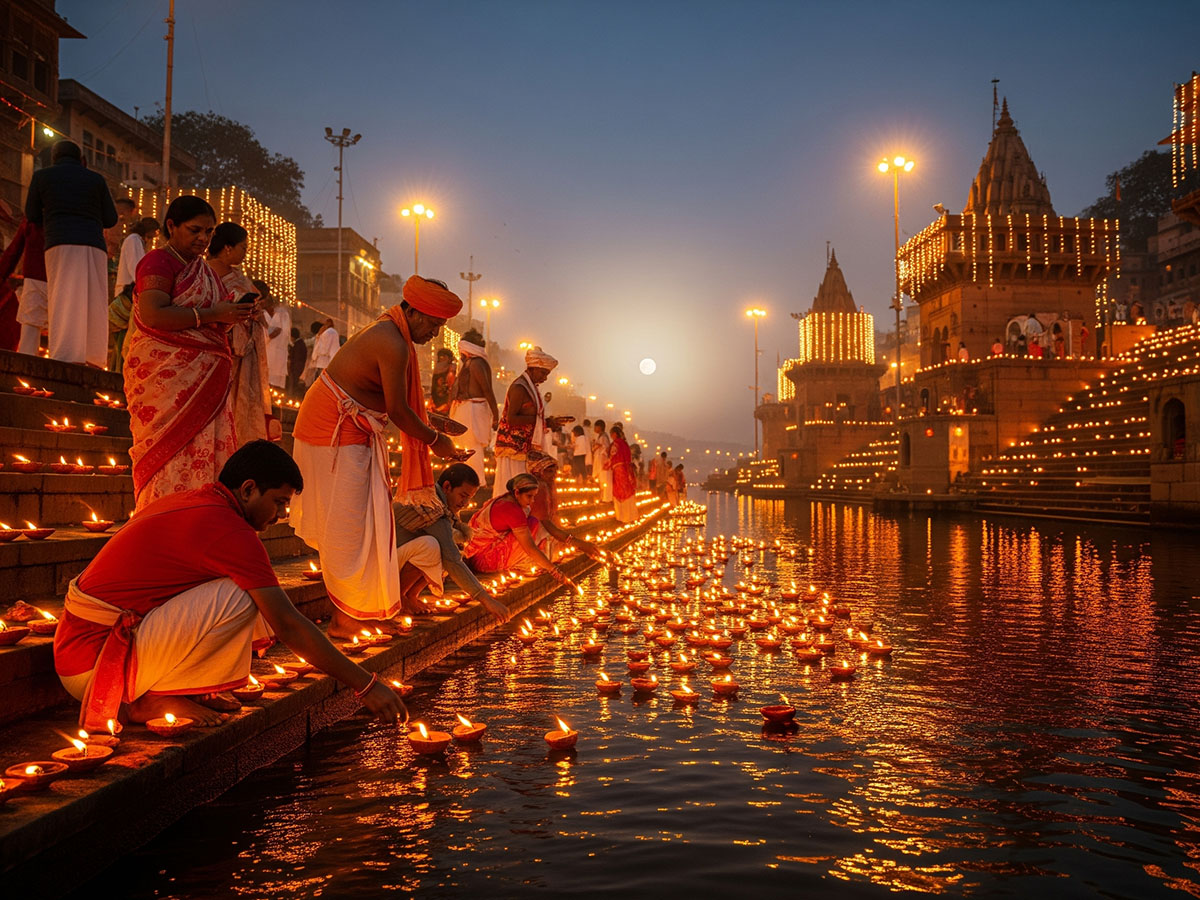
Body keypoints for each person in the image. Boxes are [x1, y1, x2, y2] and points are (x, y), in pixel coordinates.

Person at [53, 440, 407, 731]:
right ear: (249, 489)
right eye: (279, 502)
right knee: (242, 594)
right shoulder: (228, 528)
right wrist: (366, 684)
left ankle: (181, 687)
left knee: (245, 586)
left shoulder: (201, 502)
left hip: (82, 651)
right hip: (96, 666)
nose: (281, 515)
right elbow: (288, 625)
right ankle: (146, 701)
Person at [290, 275, 472, 638]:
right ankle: (343, 620)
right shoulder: (392, 342)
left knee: (361, 527)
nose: (435, 334)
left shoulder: (394, 335)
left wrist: (433, 422)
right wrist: (436, 440)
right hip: (332, 433)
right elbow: (399, 411)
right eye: (434, 324)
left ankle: (360, 611)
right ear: (414, 312)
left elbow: (394, 403)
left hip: (351, 431)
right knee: (348, 529)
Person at [125, 196, 256, 512]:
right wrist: (212, 314)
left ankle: (199, 521)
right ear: (171, 226)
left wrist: (231, 315)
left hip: (207, 383)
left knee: (207, 463)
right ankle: (163, 520)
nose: (203, 239)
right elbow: (154, 314)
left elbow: (212, 324)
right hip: (166, 381)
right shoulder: (158, 262)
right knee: (169, 459)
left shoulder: (205, 271)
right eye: (195, 230)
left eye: (209, 232)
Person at [23, 140, 118, 367]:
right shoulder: (96, 179)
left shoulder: (42, 177)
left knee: (63, 297)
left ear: (54, 158)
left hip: (60, 242)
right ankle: (94, 357)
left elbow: (32, 214)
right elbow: (111, 218)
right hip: (94, 246)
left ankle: (65, 356)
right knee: (94, 299)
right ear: (81, 159)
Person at [392, 463, 508, 620]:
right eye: (463, 496)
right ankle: (398, 597)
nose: (465, 503)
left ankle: (410, 595)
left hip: (399, 557)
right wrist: (486, 600)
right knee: (431, 546)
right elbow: (452, 559)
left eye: (469, 498)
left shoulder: (439, 501)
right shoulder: (429, 504)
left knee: (443, 547)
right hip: (385, 563)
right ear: (447, 487)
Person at [463, 472, 600, 581]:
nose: (532, 501)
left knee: (533, 522)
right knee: (531, 525)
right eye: (529, 496)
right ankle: (520, 564)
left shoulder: (507, 499)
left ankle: (525, 563)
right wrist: (555, 572)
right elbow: (530, 547)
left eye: (534, 496)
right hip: (483, 561)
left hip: (479, 555)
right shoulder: (511, 509)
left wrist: (580, 545)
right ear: (517, 492)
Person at [207, 223, 273, 445]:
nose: (245, 253)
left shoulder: (240, 278)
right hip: (213, 347)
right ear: (228, 247)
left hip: (241, 353)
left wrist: (252, 311)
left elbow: (256, 310)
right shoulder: (203, 273)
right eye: (243, 248)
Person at [494, 346, 558, 490]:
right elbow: (511, 418)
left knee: (525, 491)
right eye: (543, 373)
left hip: (525, 449)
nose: (545, 378)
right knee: (515, 489)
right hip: (513, 449)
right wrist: (542, 422)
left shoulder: (531, 388)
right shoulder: (519, 388)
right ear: (532, 368)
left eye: (547, 374)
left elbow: (532, 417)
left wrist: (547, 422)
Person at [109, 217, 160, 372]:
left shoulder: (137, 241)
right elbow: (137, 268)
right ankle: (118, 372)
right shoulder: (134, 240)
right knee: (124, 340)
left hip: (131, 292)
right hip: (127, 294)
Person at [449, 329, 498, 484]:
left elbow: (487, 390)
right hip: (466, 409)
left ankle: (475, 482)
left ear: (467, 348)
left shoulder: (476, 364)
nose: (460, 355)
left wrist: (496, 416)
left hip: (473, 410)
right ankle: (463, 481)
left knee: (472, 447)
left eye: (461, 351)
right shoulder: (469, 363)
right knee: (462, 446)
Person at [0, 217, 47, 356]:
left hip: (35, 277)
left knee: (30, 328)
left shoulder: (31, 219)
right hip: (58, 278)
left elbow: (13, 252)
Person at [606, 424, 638, 523]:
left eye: (611, 434)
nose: (611, 436)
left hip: (619, 470)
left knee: (620, 492)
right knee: (628, 491)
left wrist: (606, 465)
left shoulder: (616, 443)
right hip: (627, 470)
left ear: (615, 434)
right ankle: (631, 516)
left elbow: (612, 456)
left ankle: (622, 517)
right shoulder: (625, 443)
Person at [262, 288, 291, 392]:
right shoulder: (261, 314)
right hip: (264, 351)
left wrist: (271, 336)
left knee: (275, 383)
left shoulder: (283, 314)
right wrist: (269, 337)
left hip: (278, 353)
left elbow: (284, 333)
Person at [310, 317, 339, 383]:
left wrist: (318, 337)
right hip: (332, 362)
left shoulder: (327, 333)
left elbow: (323, 350)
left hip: (323, 363)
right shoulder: (334, 332)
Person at [430, 347, 456, 414]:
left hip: (446, 403)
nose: (441, 359)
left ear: (448, 358)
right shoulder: (437, 368)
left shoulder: (451, 368)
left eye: (443, 357)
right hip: (436, 400)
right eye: (440, 357)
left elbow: (451, 387)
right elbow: (434, 386)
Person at [591, 419, 612, 501]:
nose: (594, 428)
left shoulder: (604, 437)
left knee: (604, 479)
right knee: (600, 479)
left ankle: (605, 498)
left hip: (602, 461)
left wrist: (598, 445)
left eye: (595, 426)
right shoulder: (600, 436)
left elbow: (606, 448)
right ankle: (601, 497)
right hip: (598, 460)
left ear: (600, 427)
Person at [287, 326, 307, 398]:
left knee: (294, 384)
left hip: (296, 368)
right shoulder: (299, 343)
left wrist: (292, 367)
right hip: (297, 367)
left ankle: (293, 397)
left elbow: (297, 358)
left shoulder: (298, 345)